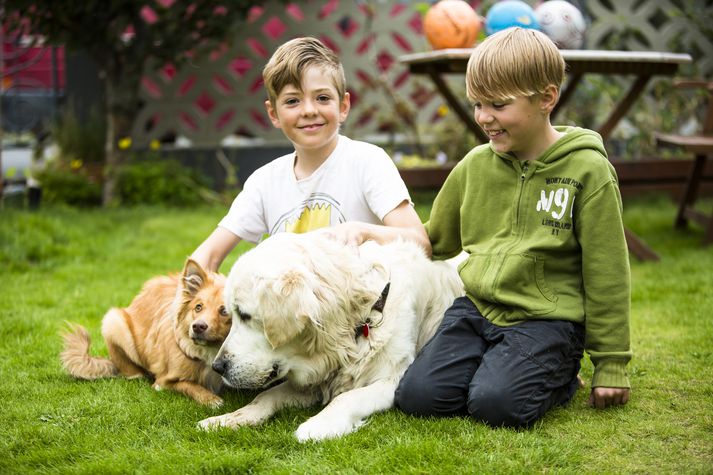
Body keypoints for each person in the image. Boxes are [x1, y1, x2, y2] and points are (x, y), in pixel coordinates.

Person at [394, 27, 632, 428]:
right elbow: (434, 239)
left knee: (496, 406)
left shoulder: (588, 171)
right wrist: (371, 235)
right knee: (419, 398)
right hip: (477, 310)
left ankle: (559, 377)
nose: (485, 118)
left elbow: (607, 271)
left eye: (498, 105)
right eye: (477, 105)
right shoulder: (474, 165)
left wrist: (611, 365)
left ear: (547, 98)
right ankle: (501, 366)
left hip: (547, 320)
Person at [191, 37, 429, 272]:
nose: (309, 110)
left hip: (363, 304)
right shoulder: (264, 183)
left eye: (322, 98)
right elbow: (207, 258)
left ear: (343, 106)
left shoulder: (367, 162)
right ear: (273, 113)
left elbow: (419, 243)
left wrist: (364, 231)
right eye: (293, 101)